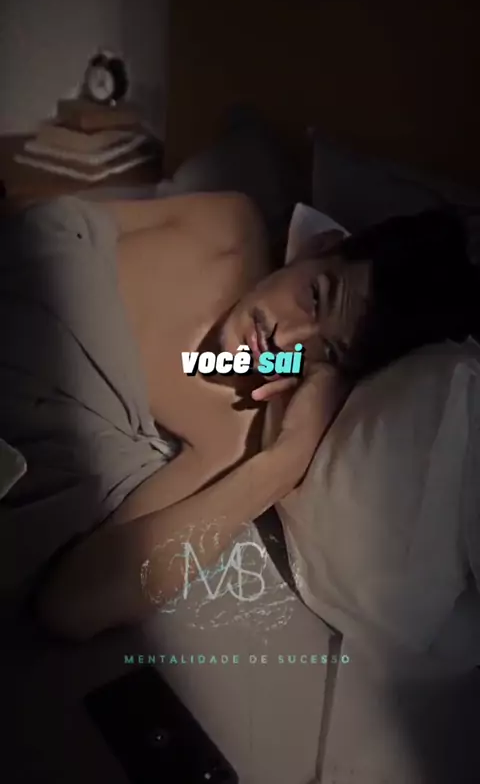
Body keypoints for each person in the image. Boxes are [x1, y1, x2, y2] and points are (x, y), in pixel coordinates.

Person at [0, 192, 476, 641]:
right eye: (314, 297)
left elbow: (73, 603)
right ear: (320, 247)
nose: (285, 339)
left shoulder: (235, 438)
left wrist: (283, 464)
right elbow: (58, 223)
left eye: (328, 350)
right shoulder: (226, 225)